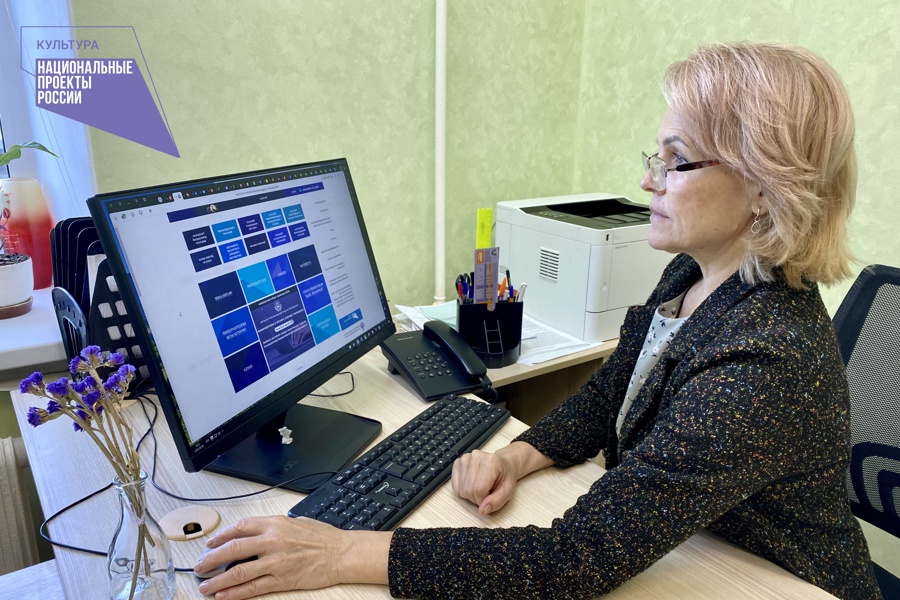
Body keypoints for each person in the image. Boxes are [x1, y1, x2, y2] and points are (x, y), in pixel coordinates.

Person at [194, 41, 882, 600]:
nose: (648, 180)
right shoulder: (693, 275)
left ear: (763, 187)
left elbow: (574, 560)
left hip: (778, 583)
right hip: (697, 546)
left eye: (676, 161)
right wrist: (515, 456)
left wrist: (342, 552)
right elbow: (609, 397)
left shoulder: (765, 361)